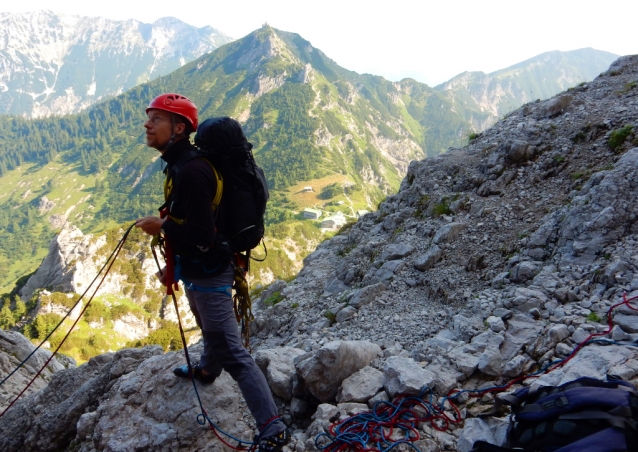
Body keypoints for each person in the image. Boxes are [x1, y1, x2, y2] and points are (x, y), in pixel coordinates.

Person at [135, 93, 289, 451]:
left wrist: (161, 226)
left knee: (233, 350)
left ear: (179, 128)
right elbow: (190, 223)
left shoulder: (191, 171)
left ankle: (272, 427)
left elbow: (202, 236)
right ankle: (207, 367)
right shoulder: (181, 164)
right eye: (150, 117)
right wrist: (174, 264)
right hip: (200, 268)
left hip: (211, 271)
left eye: (156, 119)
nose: (147, 124)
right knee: (209, 325)